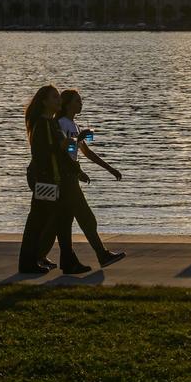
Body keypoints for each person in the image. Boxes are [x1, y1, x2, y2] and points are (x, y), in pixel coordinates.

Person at [19, 85, 89, 275]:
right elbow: (41, 154)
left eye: (59, 97)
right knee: (45, 221)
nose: (59, 100)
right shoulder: (43, 125)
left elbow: (62, 154)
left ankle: (37, 261)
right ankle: (35, 262)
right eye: (54, 98)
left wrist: (77, 170)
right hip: (45, 181)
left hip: (51, 180)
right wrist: (61, 146)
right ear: (44, 102)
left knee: (51, 220)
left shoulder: (50, 123)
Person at [54, 89, 125, 268]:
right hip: (67, 179)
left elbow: (86, 152)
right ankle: (102, 255)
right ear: (68, 104)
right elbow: (65, 152)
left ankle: (66, 261)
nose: (81, 104)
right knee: (86, 218)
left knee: (65, 221)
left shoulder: (73, 125)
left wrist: (110, 169)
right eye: (77, 101)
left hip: (71, 176)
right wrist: (77, 170)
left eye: (81, 101)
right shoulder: (62, 124)